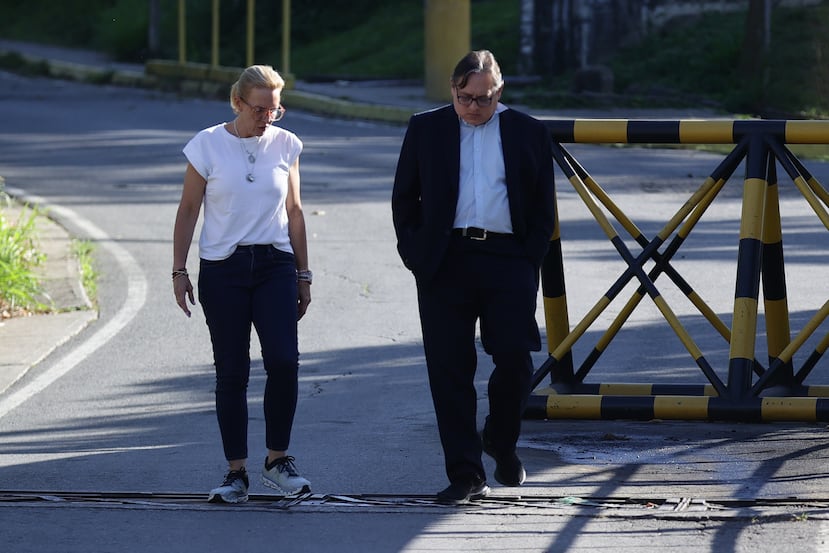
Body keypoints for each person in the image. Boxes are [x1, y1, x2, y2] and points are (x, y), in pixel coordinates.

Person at [391, 50, 556, 504]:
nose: (472, 108)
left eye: (483, 99)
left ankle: (500, 440)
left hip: (508, 259)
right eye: (464, 98)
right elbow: (405, 200)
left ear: (498, 92)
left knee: (516, 359)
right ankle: (466, 474)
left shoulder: (529, 132)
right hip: (446, 260)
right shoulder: (426, 128)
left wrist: (529, 259)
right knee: (449, 371)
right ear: (452, 90)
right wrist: (417, 256)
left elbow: (544, 208)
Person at [172, 64, 313, 504]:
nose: (267, 118)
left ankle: (277, 460)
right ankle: (236, 472)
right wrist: (179, 270)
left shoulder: (286, 144)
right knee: (232, 373)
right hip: (224, 269)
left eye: (275, 109)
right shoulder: (207, 145)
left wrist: (304, 274)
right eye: (259, 109)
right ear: (237, 103)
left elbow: (294, 212)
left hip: (274, 265)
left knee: (284, 362)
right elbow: (189, 209)